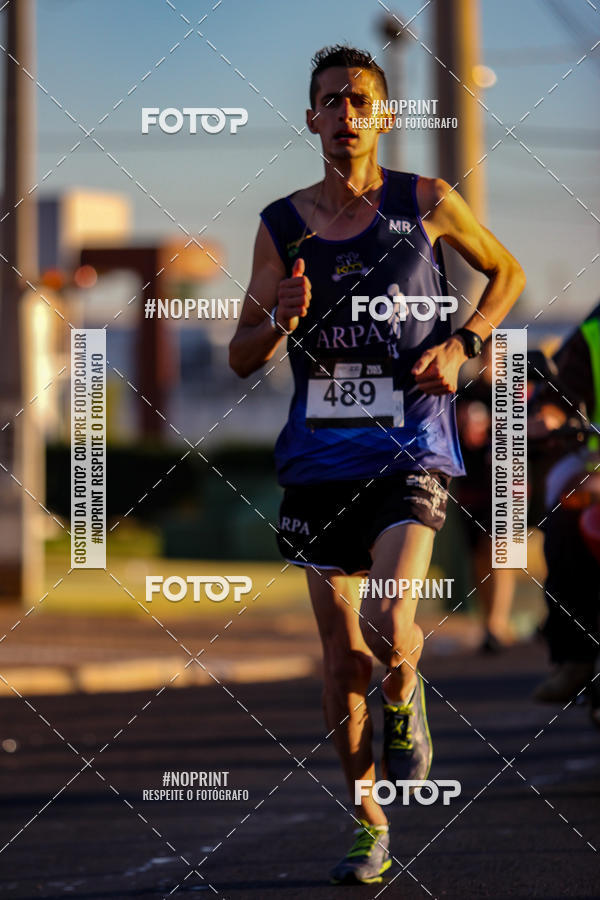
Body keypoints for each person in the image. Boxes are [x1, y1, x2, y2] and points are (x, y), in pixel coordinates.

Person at [229, 44, 526, 885]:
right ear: (312, 118)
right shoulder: (281, 225)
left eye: (361, 100)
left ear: (383, 115)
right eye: (330, 101)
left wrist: (465, 343)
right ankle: (368, 823)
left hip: (412, 445)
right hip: (318, 461)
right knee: (339, 661)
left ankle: (407, 695)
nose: (346, 114)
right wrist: (278, 320)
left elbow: (508, 272)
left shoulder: (425, 202)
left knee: (393, 618)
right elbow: (242, 354)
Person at [528, 300, 600, 703]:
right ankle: (575, 657)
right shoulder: (596, 326)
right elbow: (561, 390)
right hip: (599, 466)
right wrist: (548, 415)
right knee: (568, 513)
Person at [455, 340, 517, 652]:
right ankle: (486, 622)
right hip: (473, 484)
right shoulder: (466, 392)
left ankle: (497, 621)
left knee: (502, 552)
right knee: (479, 554)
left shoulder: (515, 393)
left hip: (507, 483)